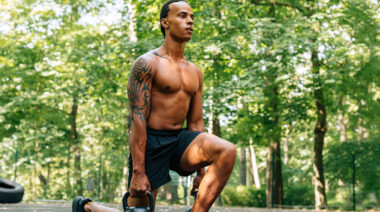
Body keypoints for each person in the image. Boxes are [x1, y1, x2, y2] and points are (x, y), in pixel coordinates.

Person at [72, 1, 236, 211]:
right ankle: (87, 207)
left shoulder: (195, 72)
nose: (190, 22)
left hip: (180, 141)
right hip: (150, 142)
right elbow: (138, 119)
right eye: (183, 16)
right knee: (140, 210)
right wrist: (138, 173)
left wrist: (201, 172)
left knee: (227, 150)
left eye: (192, 18)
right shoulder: (147, 64)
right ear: (165, 22)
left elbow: (195, 122)